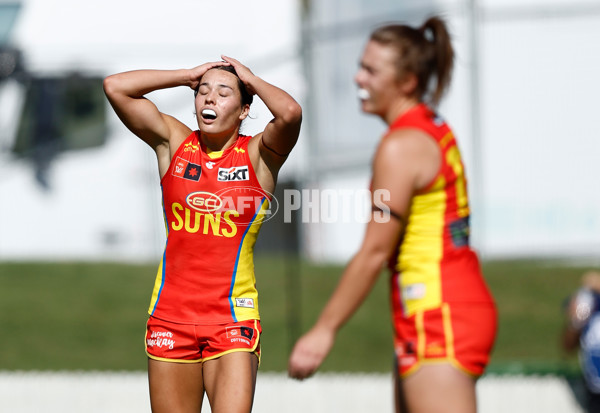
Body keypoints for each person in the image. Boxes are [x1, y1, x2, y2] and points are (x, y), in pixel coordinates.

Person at [288, 16, 497, 413]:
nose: (357, 78)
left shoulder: (401, 146)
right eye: (360, 66)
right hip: (442, 308)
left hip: (438, 314)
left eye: (370, 70)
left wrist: (323, 330)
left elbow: (374, 251)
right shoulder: (429, 128)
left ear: (407, 82)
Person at [103, 56, 301, 413]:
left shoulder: (258, 155)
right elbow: (116, 87)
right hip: (169, 319)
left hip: (232, 322)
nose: (209, 98)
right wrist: (184, 76)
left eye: (223, 93)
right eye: (203, 92)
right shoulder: (175, 143)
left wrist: (250, 80)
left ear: (243, 110)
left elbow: (289, 113)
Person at [562, 271, 600, 413]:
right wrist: (577, 320)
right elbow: (568, 346)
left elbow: (591, 279)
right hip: (595, 391)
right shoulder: (588, 309)